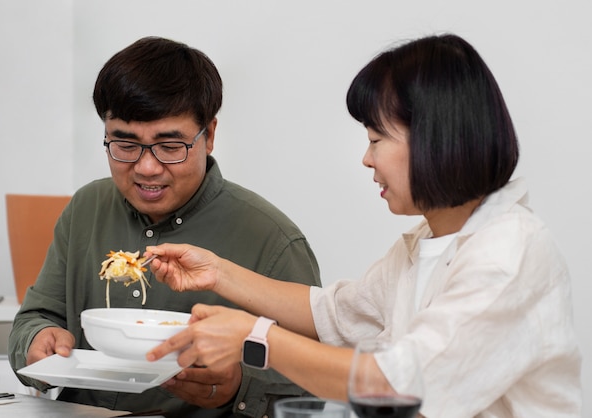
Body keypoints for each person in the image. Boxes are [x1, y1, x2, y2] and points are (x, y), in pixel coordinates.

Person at [143, 34, 582, 417]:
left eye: (376, 139)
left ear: (435, 138)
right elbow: (332, 315)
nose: (366, 158)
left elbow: (398, 387)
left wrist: (255, 337)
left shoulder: (508, 252)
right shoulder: (424, 244)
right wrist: (217, 273)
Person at [8, 36, 321, 418]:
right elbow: (36, 316)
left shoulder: (272, 239)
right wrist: (37, 340)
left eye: (169, 146)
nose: (146, 168)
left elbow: (312, 387)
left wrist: (238, 387)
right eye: (125, 144)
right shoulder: (86, 208)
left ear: (210, 135)